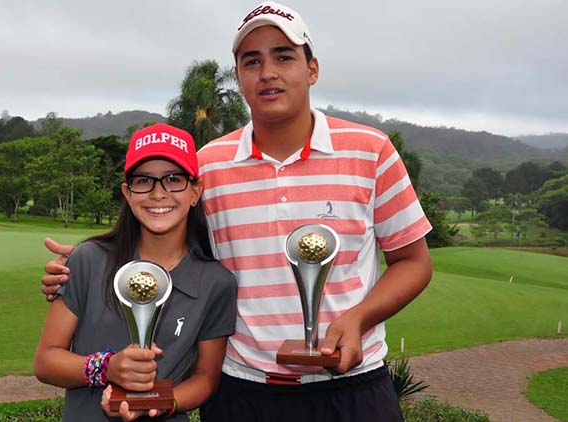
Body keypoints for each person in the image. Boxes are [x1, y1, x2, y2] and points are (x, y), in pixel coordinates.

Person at [42, 2, 433, 420]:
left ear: (312, 68)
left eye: (283, 56)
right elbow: (168, 242)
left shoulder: (370, 151)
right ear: (241, 78)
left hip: (352, 390)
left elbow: (413, 263)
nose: (268, 72)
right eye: (252, 61)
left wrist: (359, 318)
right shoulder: (209, 165)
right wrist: (85, 263)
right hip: (242, 393)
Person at [34, 123, 237, 422]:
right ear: (127, 193)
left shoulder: (216, 282)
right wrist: (108, 367)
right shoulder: (88, 260)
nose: (158, 193)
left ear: (195, 192)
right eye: (144, 181)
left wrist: (163, 403)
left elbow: (205, 378)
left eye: (173, 179)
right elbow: (46, 362)